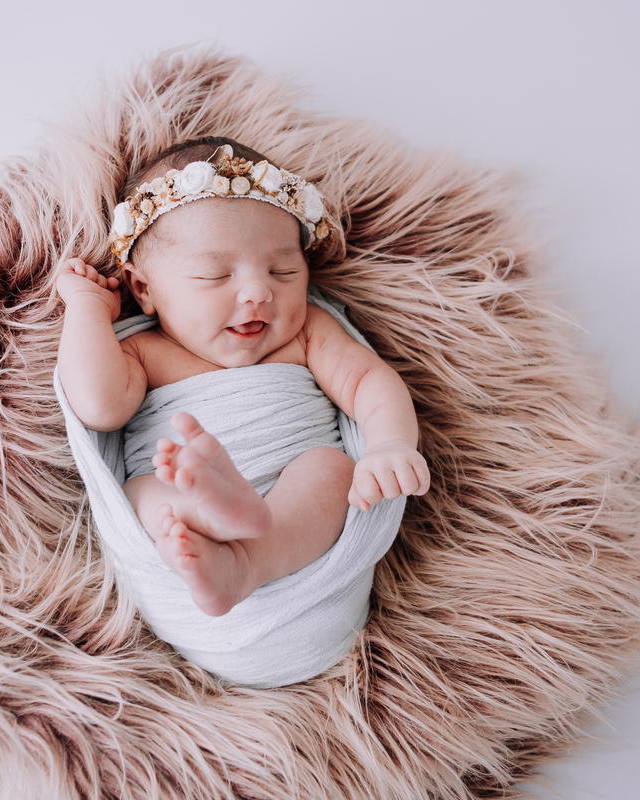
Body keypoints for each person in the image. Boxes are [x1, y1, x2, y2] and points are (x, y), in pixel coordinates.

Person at [55, 138, 430, 617]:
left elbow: (369, 383)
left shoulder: (306, 334)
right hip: (190, 564)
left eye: (282, 270)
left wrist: (389, 445)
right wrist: (87, 308)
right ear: (143, 288)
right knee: (141, 493)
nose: (258, 292)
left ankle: (250, 559)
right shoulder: (145, 353)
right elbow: (98, 406)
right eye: (216, 275)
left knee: (333, 471)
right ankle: (208, 520)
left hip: (300, 535)